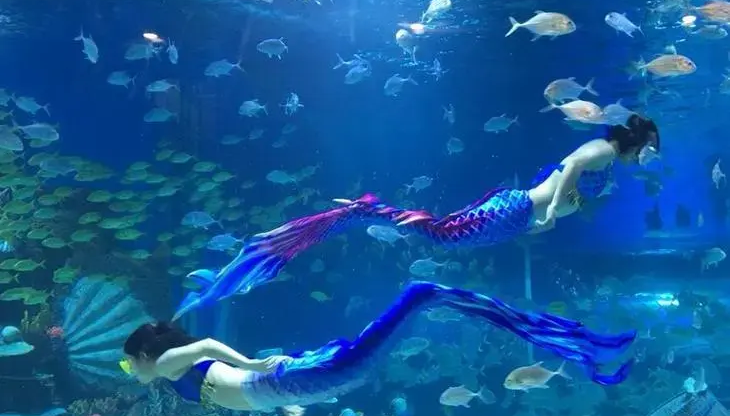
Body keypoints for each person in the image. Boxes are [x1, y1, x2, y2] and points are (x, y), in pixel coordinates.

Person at [173, 115, 659, 320]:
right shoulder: (601, 149)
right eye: (650, 148)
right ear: (636, 141)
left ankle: (369, 210)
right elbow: (568, 167)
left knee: (442, 236)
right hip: (516, 209)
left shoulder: (609, 165)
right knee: (441, 234)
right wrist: (552, 210)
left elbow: (572, 188)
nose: (649, 156)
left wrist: (568, 208)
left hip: (516, 219)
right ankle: (368, 208)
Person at [123, 282, 636, 416]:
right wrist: (286, 406)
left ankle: (418, 293)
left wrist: (252, 363)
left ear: (147, 355)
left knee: (370, 350)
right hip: (289, 387)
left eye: (130, 363)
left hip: (284, 379)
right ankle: (418, 297)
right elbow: (220, 376)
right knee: (360, 361)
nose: (133, 372)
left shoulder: (166, 364)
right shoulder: (174, 374)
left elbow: (208, 344)